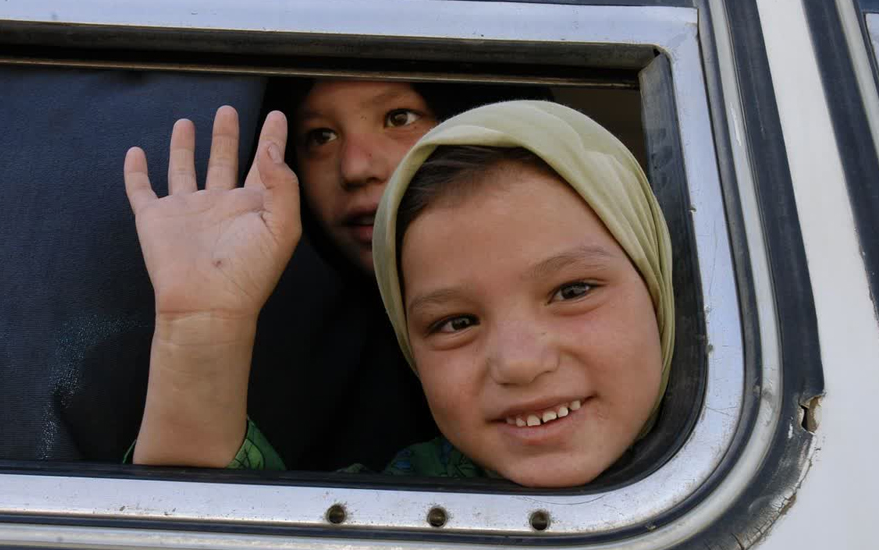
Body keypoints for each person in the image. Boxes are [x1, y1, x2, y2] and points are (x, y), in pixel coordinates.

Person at [126, 100, 674, 487]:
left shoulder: (750, 459)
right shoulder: (404, 503)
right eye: (455, 323)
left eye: (573, 290)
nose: (519, 363)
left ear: (654, 288)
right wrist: (203, 328)